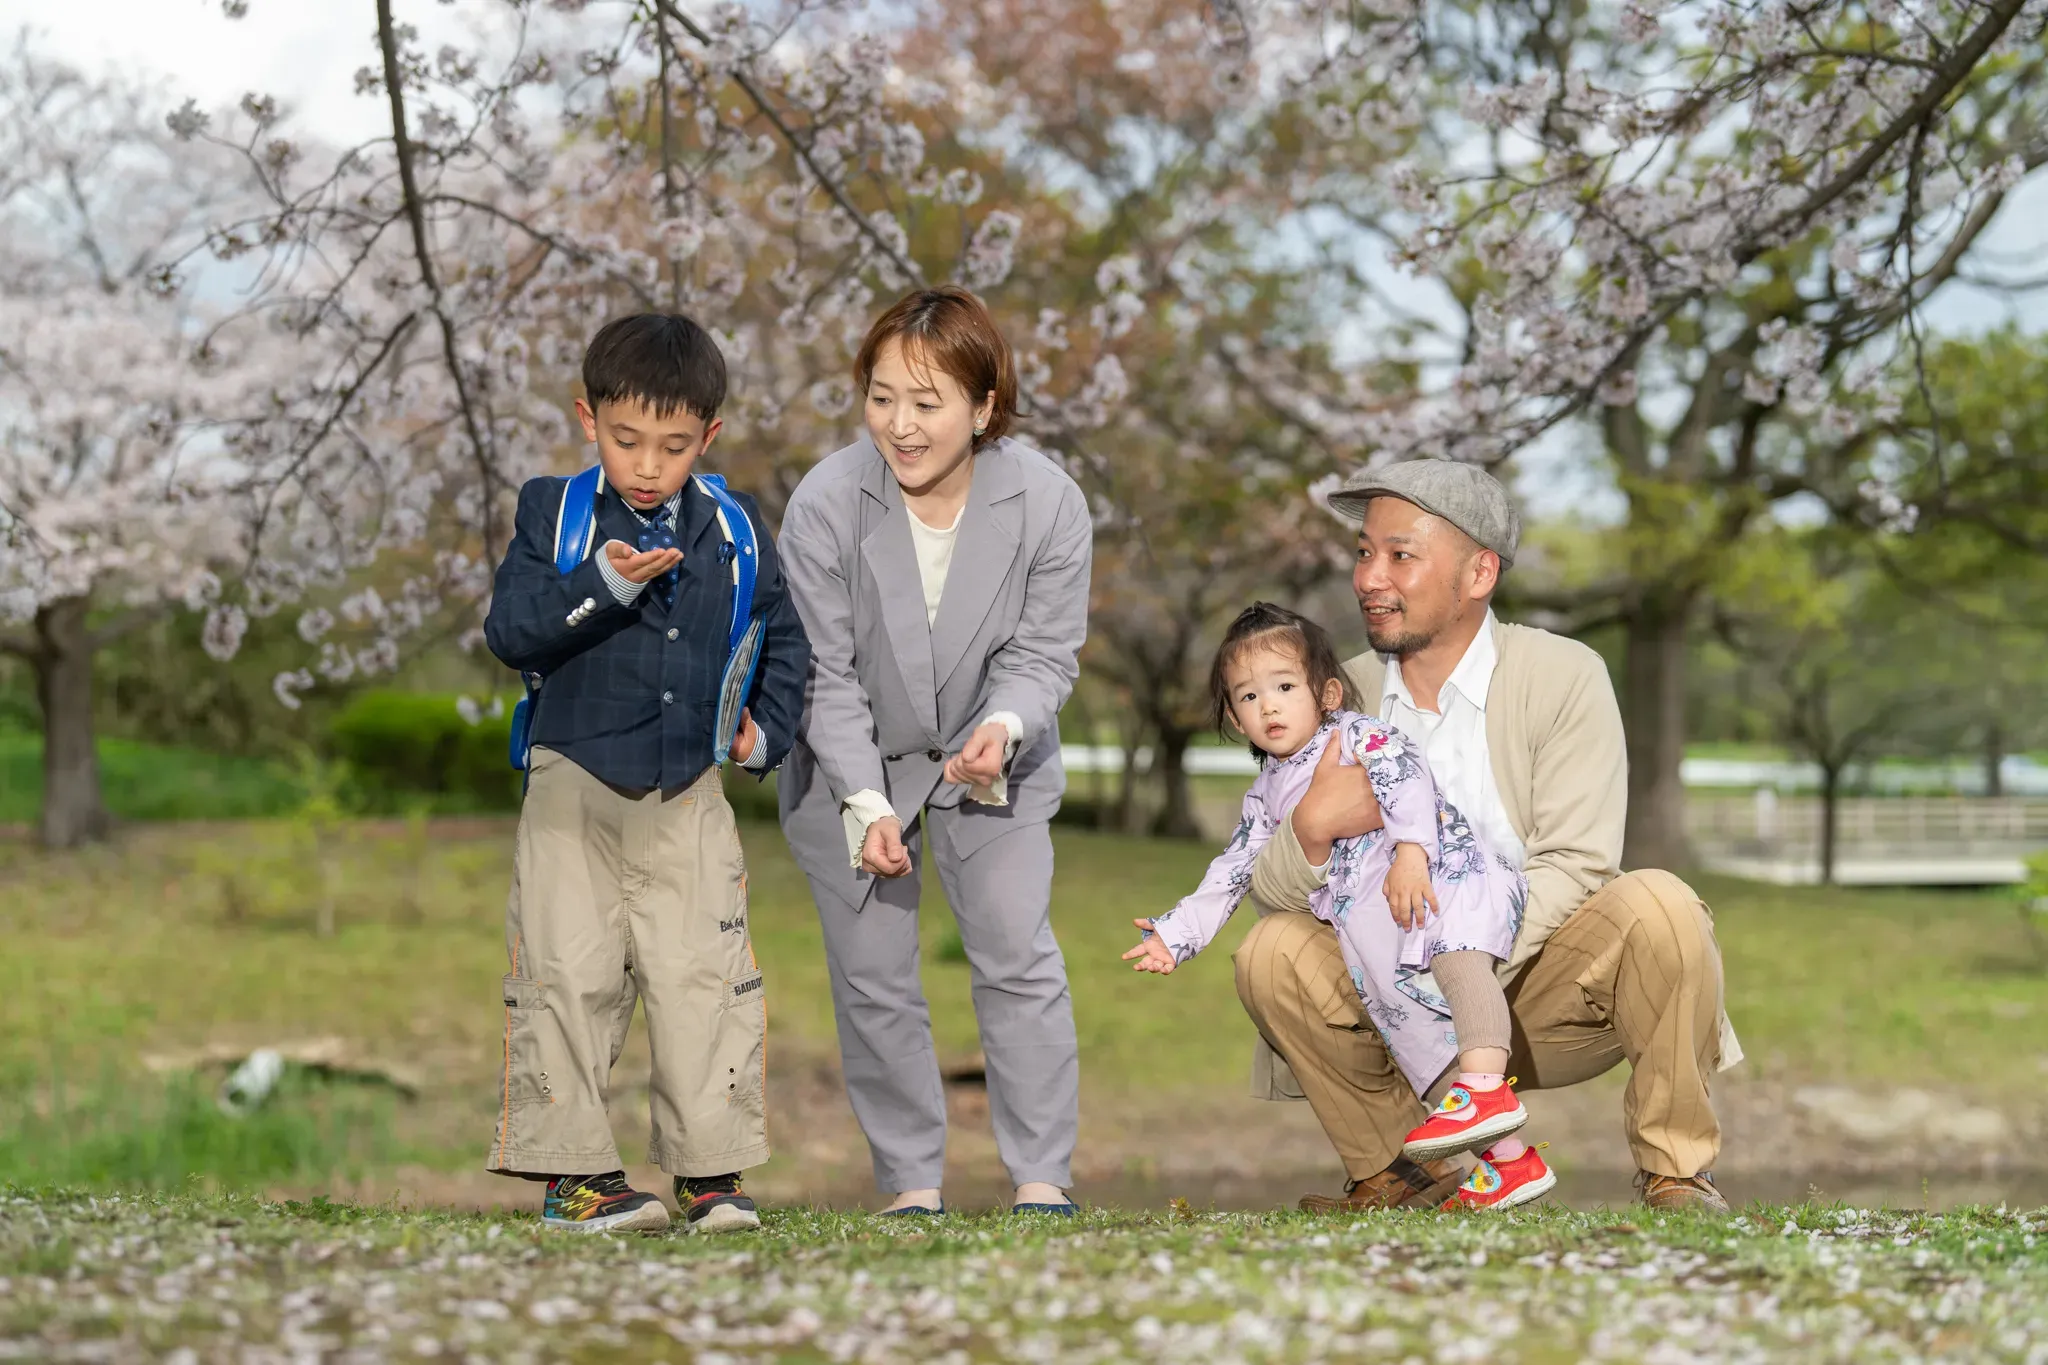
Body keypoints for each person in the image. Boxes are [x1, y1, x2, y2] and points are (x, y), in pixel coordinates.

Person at [1233, 460, 1742, 1214]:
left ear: (1479, 573)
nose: (1370, 576)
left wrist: (1456, 970)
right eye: (1364, 552)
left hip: (1540, 989)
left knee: (1661, 904)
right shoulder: (1338, 696)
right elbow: (1265, 884)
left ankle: (1676, 1171)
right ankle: (1402, 1169)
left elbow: (1577, 864)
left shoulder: (1564, 675)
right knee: (1270, 951)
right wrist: (1312, 828)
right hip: (1391, 1001)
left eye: (1400, 555)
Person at [481, 313, 811, 1234]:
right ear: (590, 419)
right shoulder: (555, 512)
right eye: (627, 440)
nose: (647, 464)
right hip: (571, 785)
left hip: (688, 792)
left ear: (707, 438)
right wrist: (607, 584)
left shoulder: (738, 529)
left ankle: (710, 1175)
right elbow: (511, 630)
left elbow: (786, 642)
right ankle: (576, 1177)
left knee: (701, 974)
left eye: (672, 446)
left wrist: (763, 735)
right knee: (565, 972)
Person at [776, 285, 1092, 1216]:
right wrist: (867, 805)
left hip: (995, 767)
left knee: (1017, 954)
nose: (900, 426)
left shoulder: (1049, 504)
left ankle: (1042, 1182)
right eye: (882, 397)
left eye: (927, 402)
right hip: (852, 764)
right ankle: (912, 1187)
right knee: (873, 977)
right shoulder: (827, 502)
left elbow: (1044, 651)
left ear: (984, 407)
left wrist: (1007, 726)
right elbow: (825, 674)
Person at [1124, 602, 1557, 1210]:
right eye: (1248, 697)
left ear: (1326, 693)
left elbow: (1405, 774)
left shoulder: (1353, 736)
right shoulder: (1264, 799)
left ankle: (1486, 1086)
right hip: (1382, 931)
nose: (1268, 706)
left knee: (1460, 960)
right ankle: (1510, 1165)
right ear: (1232, 715)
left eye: (1283, 686)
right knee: (1424, 1047)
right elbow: (1230, 873)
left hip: (1441, 878)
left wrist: (1410, 848)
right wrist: (1177, 934)